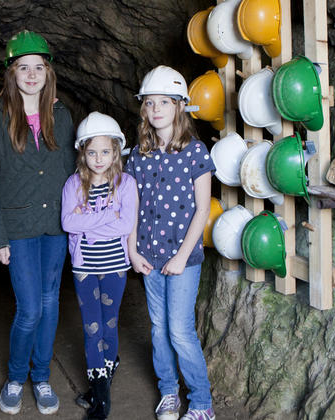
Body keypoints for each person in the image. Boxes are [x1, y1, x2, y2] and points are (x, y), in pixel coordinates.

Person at [0, 30, 76, 416]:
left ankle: (42, 376)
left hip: (55, 227)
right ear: (11, 73)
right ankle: (17, 377)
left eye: (38, 67)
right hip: (15, 229)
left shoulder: (62, 115)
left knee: (50, 304)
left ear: (48, 72)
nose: (31, 75)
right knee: (30, 308)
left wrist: (78, 226)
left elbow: (72, 173)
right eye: (23, 68)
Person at [125, 65, 216, 420]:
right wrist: (132, 249)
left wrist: (181, 257)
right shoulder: (138, 154)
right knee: (159, 330)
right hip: (148, 257)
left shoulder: (195, 152)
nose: (156, 109)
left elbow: (204, 208)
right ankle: (168, 392)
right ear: (144, 109)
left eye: (164, 101)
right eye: (150, 103)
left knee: (179, 331)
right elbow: (130, 206)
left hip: (182, 260)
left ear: (180, 105)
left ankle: (201, 402)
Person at [61, 112, 137, 419]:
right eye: (92, 152)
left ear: (116, 151)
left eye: (105, 151)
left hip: (116, 265)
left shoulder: (126, 183)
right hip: (85, 268)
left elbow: (126, 225)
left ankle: (105, 371)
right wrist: (108, 216)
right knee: (92, 329)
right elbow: (68, 222)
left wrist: (89, 224)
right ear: (83, 153)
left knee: (109, 323)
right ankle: (101, 400)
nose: (98, 158)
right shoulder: (73, 184)